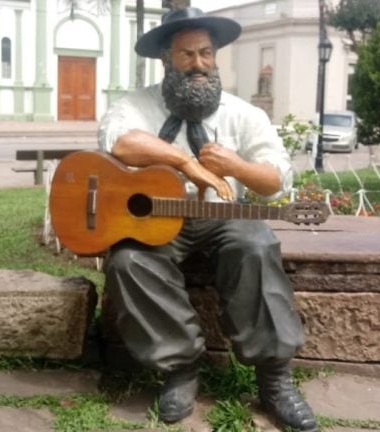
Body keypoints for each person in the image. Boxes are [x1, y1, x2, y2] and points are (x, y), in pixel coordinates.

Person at [98, 7, 318, 432]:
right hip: (157, 220)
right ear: (166, 59)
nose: (198, 64)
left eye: (205, 53)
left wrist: (237, 166)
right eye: (186, 55)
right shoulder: (136, 105)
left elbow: (277, 179)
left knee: (254, 244)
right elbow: (121, 143)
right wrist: (186, 163)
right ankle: (180, 368)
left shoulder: (243, 114)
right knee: (128, 262)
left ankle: (274, 378)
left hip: (224, 215)